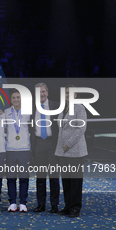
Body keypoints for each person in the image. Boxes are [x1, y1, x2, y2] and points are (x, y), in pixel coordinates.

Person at [55, 85, 87, 218]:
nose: (67, 95)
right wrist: (63, 147)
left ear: (75, 95)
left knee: (75, 181)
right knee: (66, 181)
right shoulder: (62, 109)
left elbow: (81, 129)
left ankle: (75, 208)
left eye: (70, 93)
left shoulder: (79, 108)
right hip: (63, 152)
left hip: (75, 151)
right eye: (66, 93)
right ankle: (68, 206)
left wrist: (68, 144)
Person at [31, 83, 60, 213]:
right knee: (40, 177)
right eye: (38, 92)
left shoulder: (56, 105)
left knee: (54, 177)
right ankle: (41, 205)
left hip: (52, 144)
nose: (41, 94)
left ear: (47, 92)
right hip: (38, 145)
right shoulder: (31, 107)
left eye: (43, 91)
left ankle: (54, 205)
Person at [4, 89, 31, 212]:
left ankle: (23, 202)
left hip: (25, 149)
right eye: (14, 97)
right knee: (11, 177)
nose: (16, 100)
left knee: (24, 177)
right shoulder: (6, 112)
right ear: (11, 99)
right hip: (10, 149)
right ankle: (13, 202)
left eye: (18, 97)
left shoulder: (28, 112)